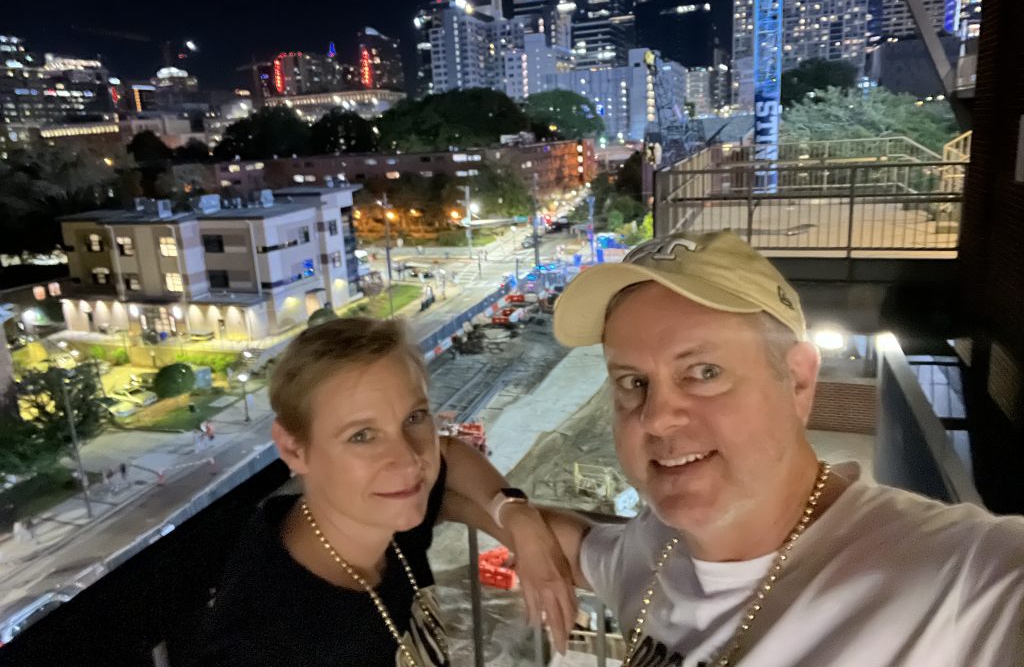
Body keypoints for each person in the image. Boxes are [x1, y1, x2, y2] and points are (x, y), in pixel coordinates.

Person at [541, 230, 1024, 666]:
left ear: (797, 381)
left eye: (705, 372)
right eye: (633, 381)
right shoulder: (653, 548)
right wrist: (510, 509)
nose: (657, 416)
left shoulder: (961, 580)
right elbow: (569, 546)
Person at [201, 317, 575, 667]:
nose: (409, 461)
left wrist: (515, 514)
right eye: (361, 436)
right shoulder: (266, 642)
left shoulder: (374, 518)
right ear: (294, 450)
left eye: (414, 418)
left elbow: (448, 453)